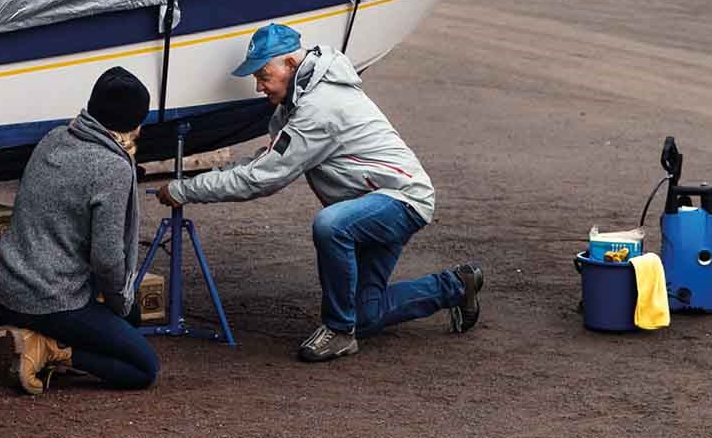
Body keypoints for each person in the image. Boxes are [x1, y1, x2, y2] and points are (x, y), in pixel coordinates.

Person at [156, 24, 484, 362]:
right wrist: (210, 176)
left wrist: (186, 189)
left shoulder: (318, 107)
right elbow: (264, 162)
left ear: (290, 63)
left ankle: (339, 332)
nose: (259, 86)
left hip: (401, 200)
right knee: (366, 316)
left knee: (331, 226)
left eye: (264, 74)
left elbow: (263, 179)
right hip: (372, 204)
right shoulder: (296, 103)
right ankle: (457, 286)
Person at [0, 66, 159, 394]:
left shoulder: (54, 138)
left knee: (130, 320)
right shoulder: (113, 168)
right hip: (49, 297)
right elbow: (108, 257)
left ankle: (49, 338)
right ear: (134, 123)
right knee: (143, 367)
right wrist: (118, 302)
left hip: (5, 284)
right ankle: (51, 350)